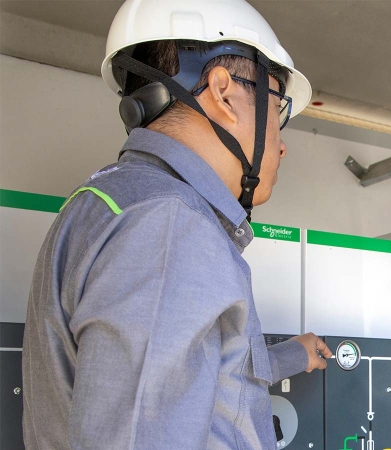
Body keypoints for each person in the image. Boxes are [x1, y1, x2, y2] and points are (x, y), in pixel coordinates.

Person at [21, 0, 333, 448]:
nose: (282, 145)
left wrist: (291, 355)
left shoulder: (110, 202)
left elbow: (200, 369)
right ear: (224, 93)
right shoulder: (168, 226)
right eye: (278, 107)